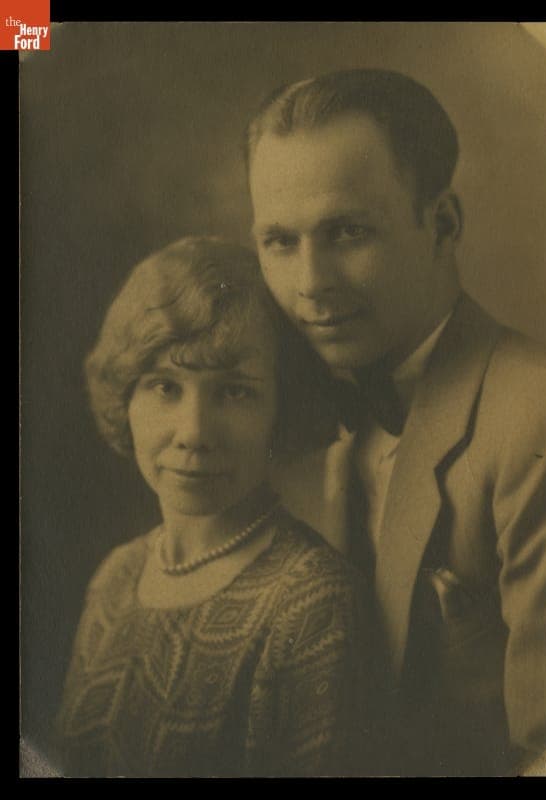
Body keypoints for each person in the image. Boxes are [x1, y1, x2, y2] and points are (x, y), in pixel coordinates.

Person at [246, 69, 546, 776]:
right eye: (279, 241)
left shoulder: (540, 415)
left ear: (443, 223)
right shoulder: (274, 412)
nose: (310, 284)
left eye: (348, 232)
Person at [55, 236, 381, 778]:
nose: (194, 434)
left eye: (234, 393)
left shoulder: (312, 606)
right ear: (126, 397)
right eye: (165, 387)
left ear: (282, 407)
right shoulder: (114, 580)